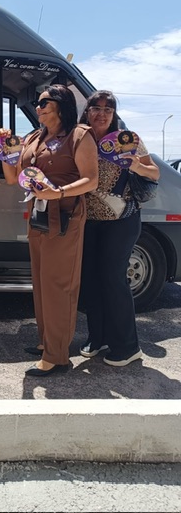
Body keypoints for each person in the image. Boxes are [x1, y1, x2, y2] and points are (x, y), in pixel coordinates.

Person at [0, 85, 98, 377]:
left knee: (59, 285)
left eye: (44, 102)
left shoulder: (79, 135)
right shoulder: (34, 137)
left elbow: (91, 179)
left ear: (61, 105)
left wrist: (59, 192)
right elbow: (13, 178)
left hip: (65, 216)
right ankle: (47, 343)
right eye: (37, 102)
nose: (38, 107)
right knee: (42, 283)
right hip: (39, 215)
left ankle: (57, 357)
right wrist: (5, 152)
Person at [78, 90, 160, 366]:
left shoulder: (126, 140)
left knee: (114, 280)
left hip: (122, 220)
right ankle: (97, 338)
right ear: (87, 111)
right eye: (96, 108)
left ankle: (127, 346)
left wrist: (136, 165)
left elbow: (154, 172)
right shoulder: (80, 138)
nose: (102, 114)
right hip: (88, 220)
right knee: (91, 281)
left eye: (108, 109)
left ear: (114, 114)